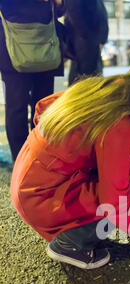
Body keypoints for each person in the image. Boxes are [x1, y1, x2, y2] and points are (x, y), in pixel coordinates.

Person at [10, 58, 130, 270]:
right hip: (41, 198)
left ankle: (80, 229)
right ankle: (70, 244)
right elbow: (115, 205)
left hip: (27, 179)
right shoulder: (122, 121)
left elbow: (42, 108)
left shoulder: (104, 87)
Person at [0, 0, 65, 162]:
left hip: (43, 42)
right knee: (20, 107)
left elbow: (60, 9)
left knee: (42, 108)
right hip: (14, 42)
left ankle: (39, 157)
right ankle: (23, 160)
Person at [64, 0, 109, 85]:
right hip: (85, 40)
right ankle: (80, 96)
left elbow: (101, 14)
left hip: (91, 39)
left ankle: (90, 96)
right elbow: (73, 10)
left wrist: (102, 38)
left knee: (92, 73)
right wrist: (86, 33)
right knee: (84, 74)